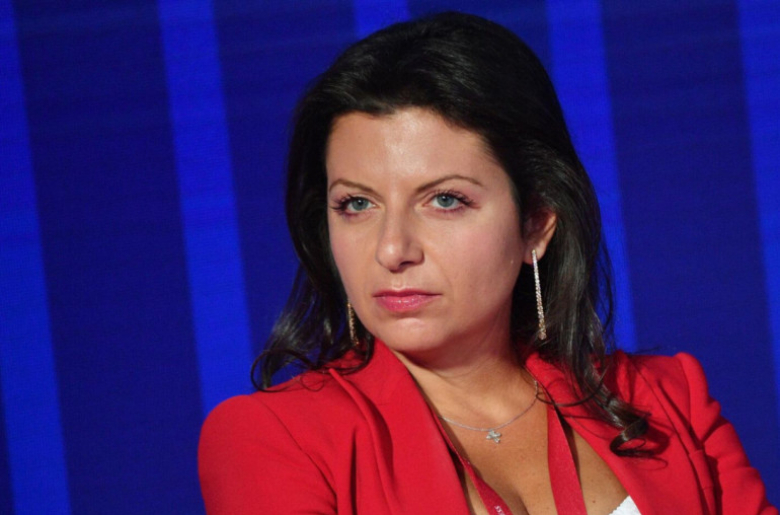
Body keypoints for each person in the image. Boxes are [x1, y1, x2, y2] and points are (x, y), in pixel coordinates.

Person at [198, 12, 776, 515]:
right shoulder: (273, 440)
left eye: (445, 200)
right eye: (356, 204)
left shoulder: (668, 400)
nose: (392, 249)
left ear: (536, 223)